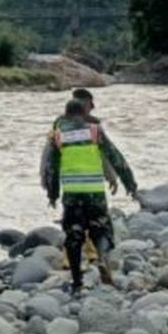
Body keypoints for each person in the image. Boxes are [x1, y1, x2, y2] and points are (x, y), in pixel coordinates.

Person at [43, 98, 137, 294]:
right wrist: (130, 183)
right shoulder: (95, 131)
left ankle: (77, 282)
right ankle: (102, 259)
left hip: (71, 194)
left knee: (74, 236)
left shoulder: (57, 136)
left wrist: (52, 194)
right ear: (84, 114)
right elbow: (116, 158)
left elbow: (51, 168)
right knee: (101, 229)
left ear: (66, 115)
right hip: (95, 192)